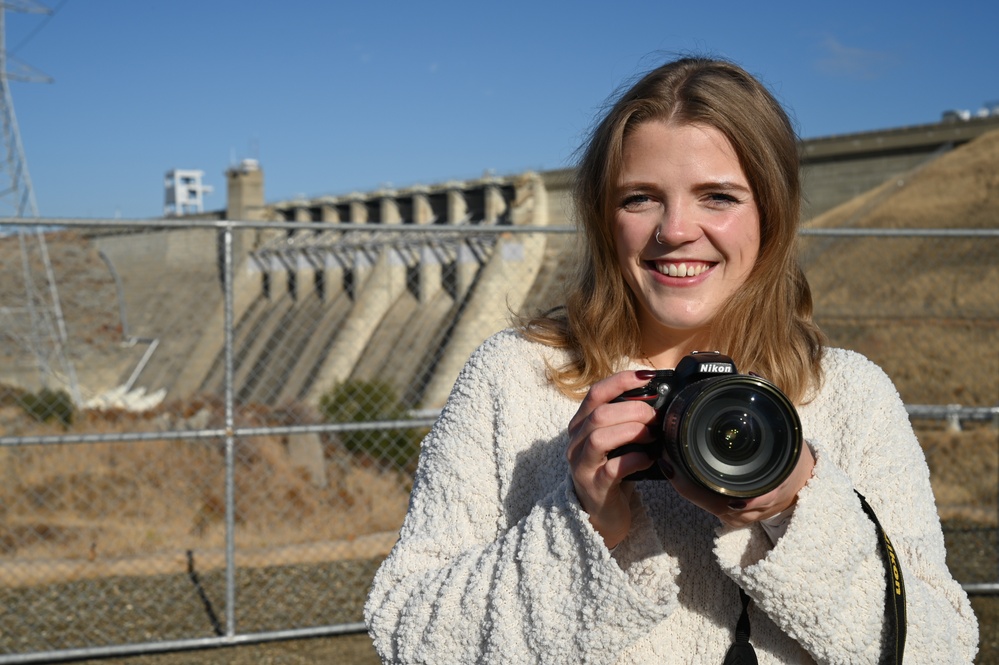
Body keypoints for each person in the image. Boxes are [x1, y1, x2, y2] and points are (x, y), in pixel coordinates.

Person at [364, 57, 979, 663]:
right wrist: (588, 525)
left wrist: (798, 507)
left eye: (717, 196)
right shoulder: (514, 379)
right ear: (605, 218)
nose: (676, 229)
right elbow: (408, 634)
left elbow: (937, 651)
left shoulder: (849, 395)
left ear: (772, 212)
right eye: (640, 198)